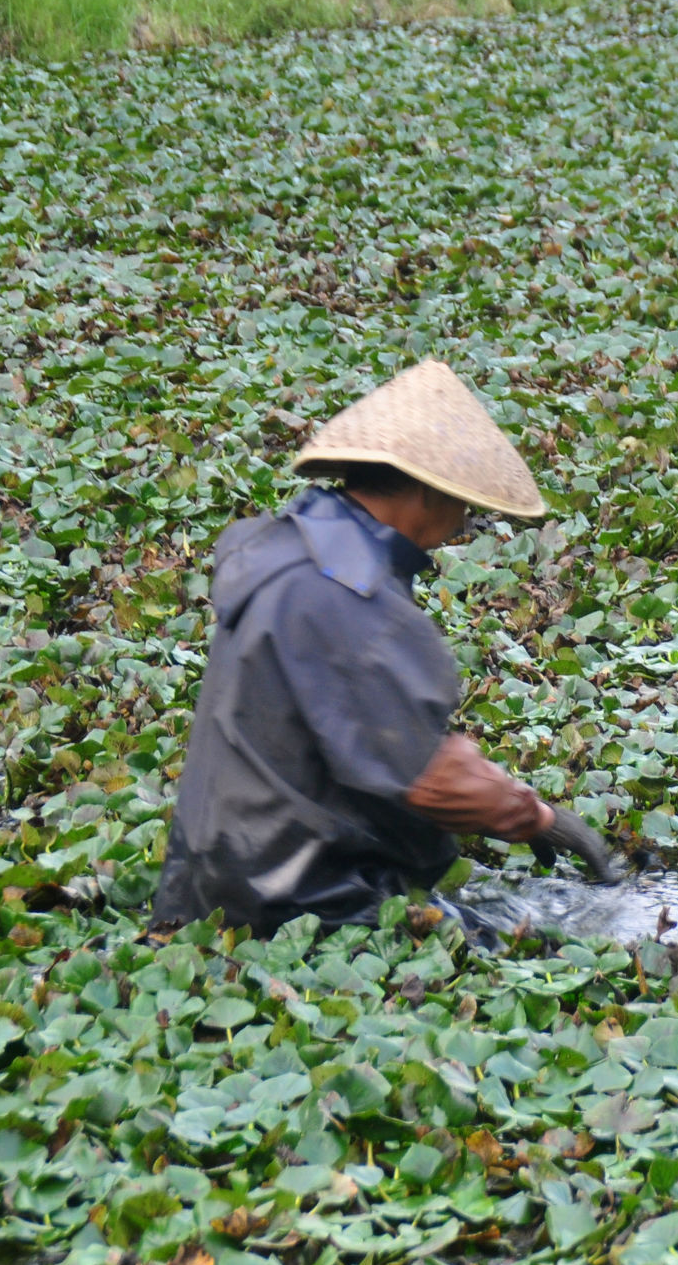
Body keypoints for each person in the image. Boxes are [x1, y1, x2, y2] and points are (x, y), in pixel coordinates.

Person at [150, 359, 619, 938]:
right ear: (424, 493)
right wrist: (539, 818)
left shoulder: (288, 548)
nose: (464, 519)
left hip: (207, 888)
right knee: (543, 951)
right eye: (461, 500)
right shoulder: (348, 595)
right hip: (299, 906)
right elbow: (434, 777)